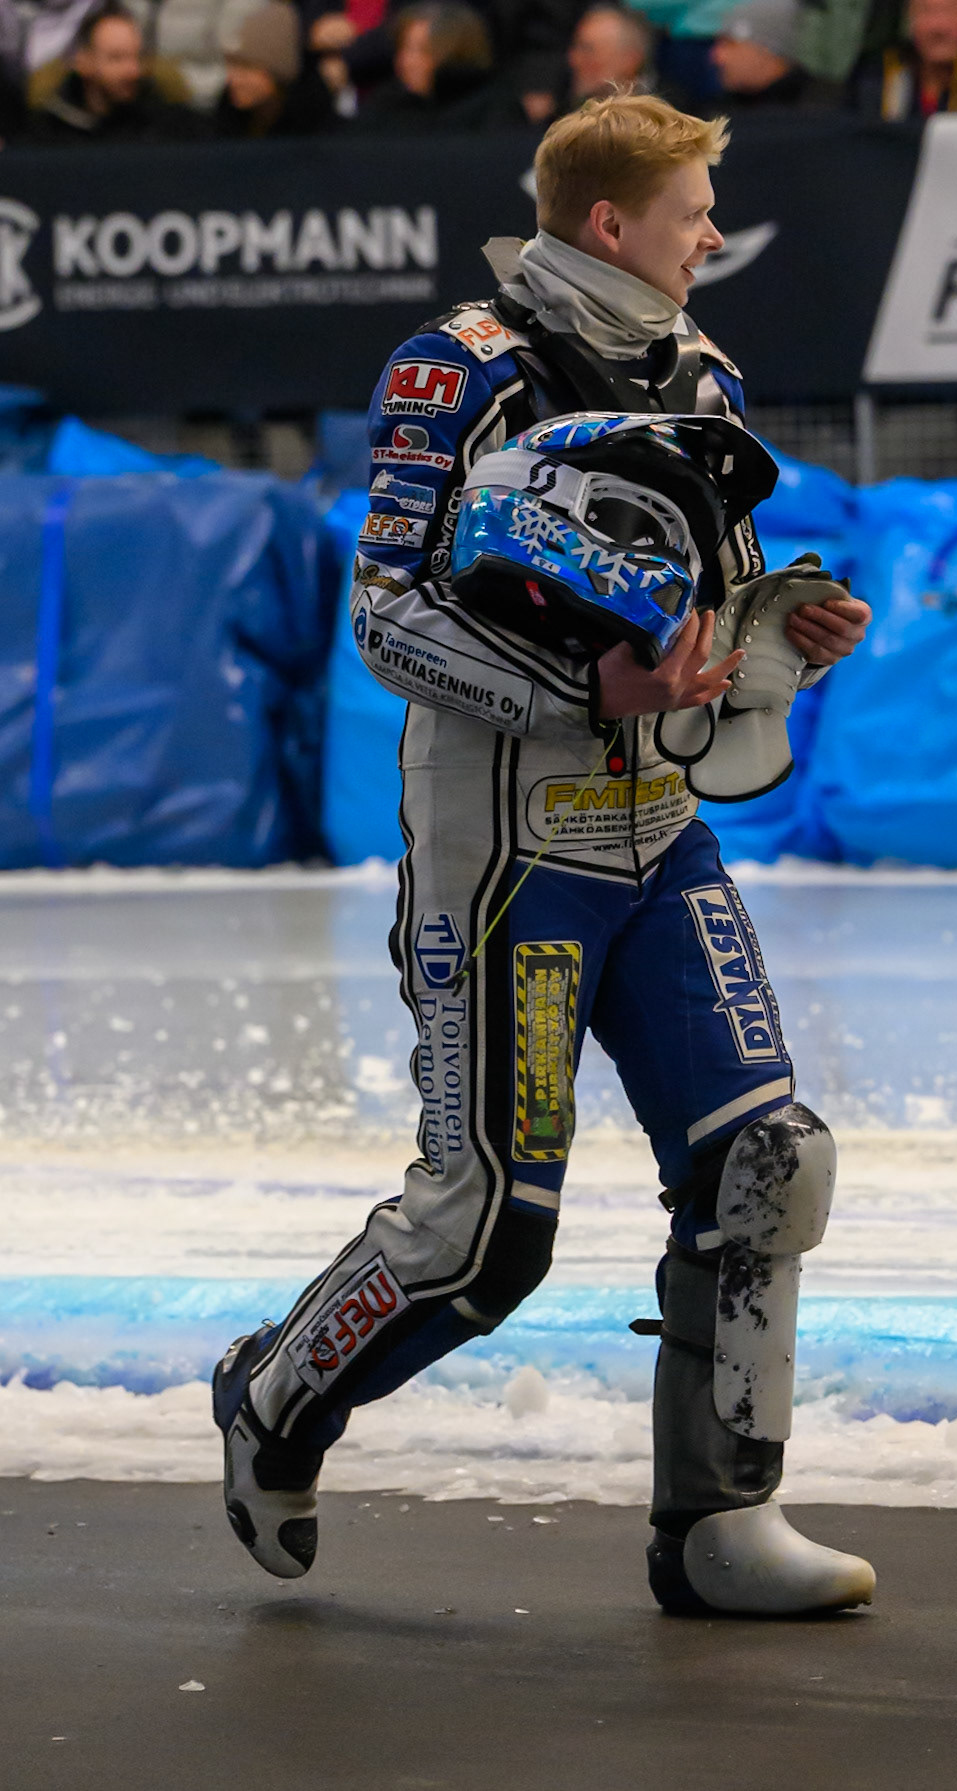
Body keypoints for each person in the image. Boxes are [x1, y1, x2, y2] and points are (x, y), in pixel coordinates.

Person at [213, 92, 878, 1619]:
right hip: (507, 859)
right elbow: (386, 614)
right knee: (483, 1232)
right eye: (696, 206)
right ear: (609, 223)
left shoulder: (697, 366)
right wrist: (588, 690)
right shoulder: (459, 364)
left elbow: (689, 625)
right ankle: (273, 1399)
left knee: (766, 1166)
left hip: (660, 835)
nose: (712, 232)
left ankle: (720, 1522)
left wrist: (774, 639)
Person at [28, 2, 209, 141]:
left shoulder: (169, 126)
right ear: (82, 62)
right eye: (116, 58)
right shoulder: (48, 130)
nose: (133, 70)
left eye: (136, 57)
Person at [353, 0, 512, 128]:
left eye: (422, 50)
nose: (406, 61)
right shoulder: (383, 107)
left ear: (457, 54)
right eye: (404, 48)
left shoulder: (495, 112)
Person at [215, 0, 338, 134]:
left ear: (277, 73)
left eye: (245, 67)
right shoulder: (220, 125)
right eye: (231, 65)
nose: (231, 78)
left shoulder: (321, 134)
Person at [710, 0, 840, 108]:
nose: (717, 57)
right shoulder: (716, 114)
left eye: (729, 44)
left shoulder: (828, 109)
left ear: (766, 48)